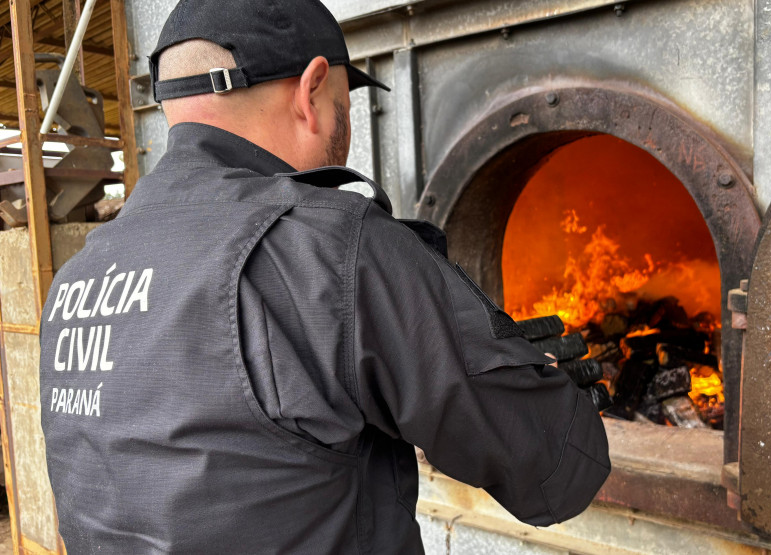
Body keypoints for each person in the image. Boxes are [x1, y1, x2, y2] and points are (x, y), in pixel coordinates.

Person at [39, 0, 610, 552]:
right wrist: (528, 375)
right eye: (345, 104)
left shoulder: (73, 281)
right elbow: (559, 471)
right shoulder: (332, 246)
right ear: (312, 92)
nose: (345, 126)